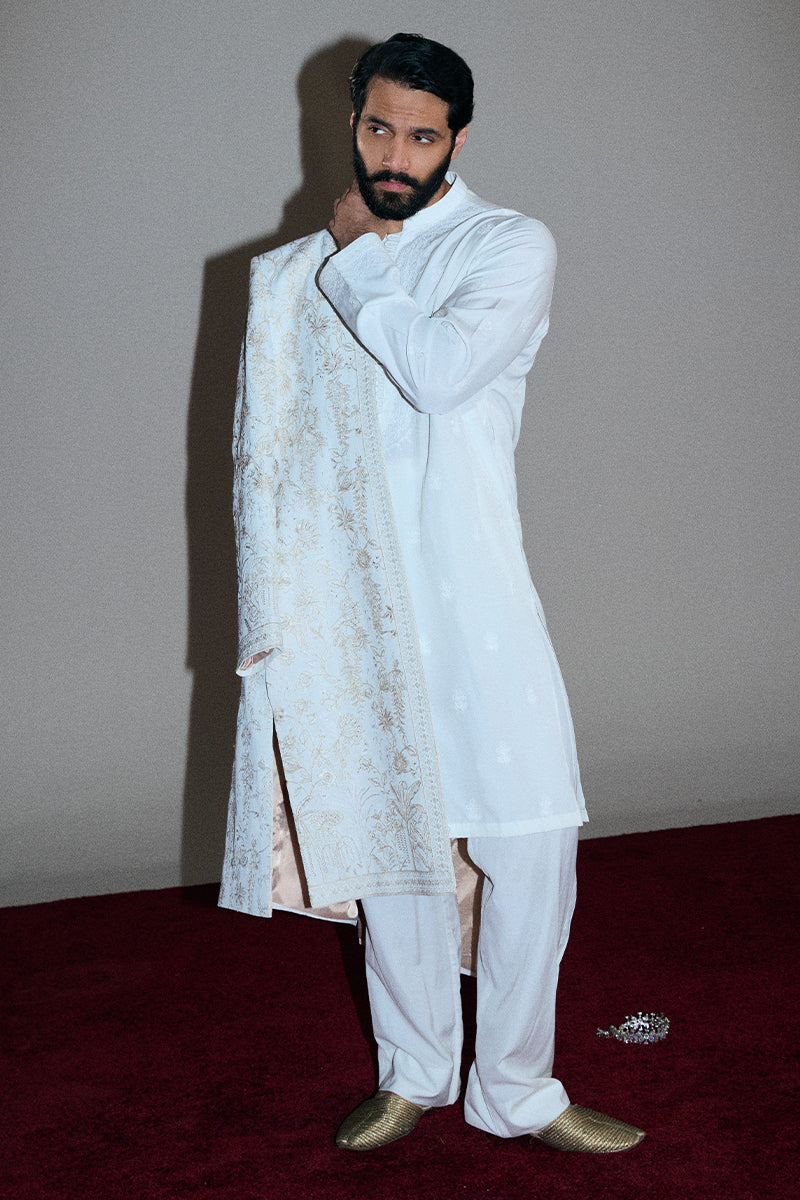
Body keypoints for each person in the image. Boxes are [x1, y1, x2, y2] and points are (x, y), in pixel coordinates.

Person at [220, 33, 645, 1154]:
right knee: (391, 844)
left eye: (421, 135)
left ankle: (518, 1088)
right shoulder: (292, 275)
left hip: (474, 598)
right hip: (351, 610)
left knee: (531, 847)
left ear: (458, 137)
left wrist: (356, 258)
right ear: (352, 123)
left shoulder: (505, 244)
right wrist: (272, 619)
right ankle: (413, 1073)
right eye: (378, 128)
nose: (395, 154)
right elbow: (260, 454)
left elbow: (443, 373)